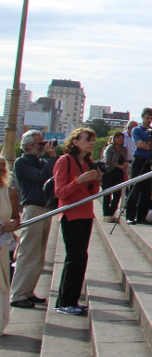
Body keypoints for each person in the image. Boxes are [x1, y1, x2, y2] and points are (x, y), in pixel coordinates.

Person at [53, 127, 102, 316]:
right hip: (70, 214)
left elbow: (91, 193)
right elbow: (60, 193)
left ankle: (70, 300)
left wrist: (97, 179)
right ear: (75, 142)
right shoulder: (64, 160)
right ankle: (65, 301)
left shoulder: (89, 162)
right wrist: (77, 180)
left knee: (80, 258)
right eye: (87, 139)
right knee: (76, 257)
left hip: (85, 214)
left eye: (92, 139)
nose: (91, 142)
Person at [9, 130, 58, 310]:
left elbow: (53, 176)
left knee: (38, 255)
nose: (43, 147)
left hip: (44, 208)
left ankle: (28, 291)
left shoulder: (41, 162)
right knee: (28, 252)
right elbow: (42, 177)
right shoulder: (22, 162)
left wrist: (52, 159)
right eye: (40, 144)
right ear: (28, 146)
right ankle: (18, 294)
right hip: (33, 208)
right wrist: (52, 158)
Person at [128, 107, 152, 224]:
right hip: (140, 160)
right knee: (135, 188)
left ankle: (141, 216)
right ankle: (130, 216)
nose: (149, 120)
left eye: (151, 118)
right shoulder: (137, 130)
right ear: (143, 117)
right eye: (147, 118)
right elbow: (140, 145)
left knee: (147, 190)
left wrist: (150, 145)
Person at [0, 158, 22, 334]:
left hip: (2, 245)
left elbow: (16, 216)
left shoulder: (10, 192)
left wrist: (13, 224)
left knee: (2, 285)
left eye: (1, 170)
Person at [100, 131, 128, 223]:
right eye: (118, 137)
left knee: (117, 194)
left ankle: (112, 212)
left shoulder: (124, 149)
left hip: (119, 173)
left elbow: (125, 159)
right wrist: (118, 165)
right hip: (109, 172)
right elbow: (107, 161)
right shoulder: (110, 148)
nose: (120, 139)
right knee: (107, 194)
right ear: (114, 139)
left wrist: (124, 165)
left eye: (122, 138)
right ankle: (106, 214)